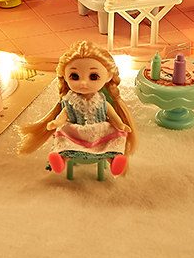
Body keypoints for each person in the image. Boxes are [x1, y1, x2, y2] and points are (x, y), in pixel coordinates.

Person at [19, 41, 135, 176]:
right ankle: (60, 159)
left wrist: (120, 125)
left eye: (93, 77)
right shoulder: (70, 101)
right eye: (75, 77)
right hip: (76, 132)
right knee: (63, 135)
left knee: (115, 135)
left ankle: (114, 160)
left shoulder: (102, 101)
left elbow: (113, 116)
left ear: (108, 76)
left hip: (99, 131)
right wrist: (56, 123)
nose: (83, 83)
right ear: (65, 76)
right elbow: (63, 115)